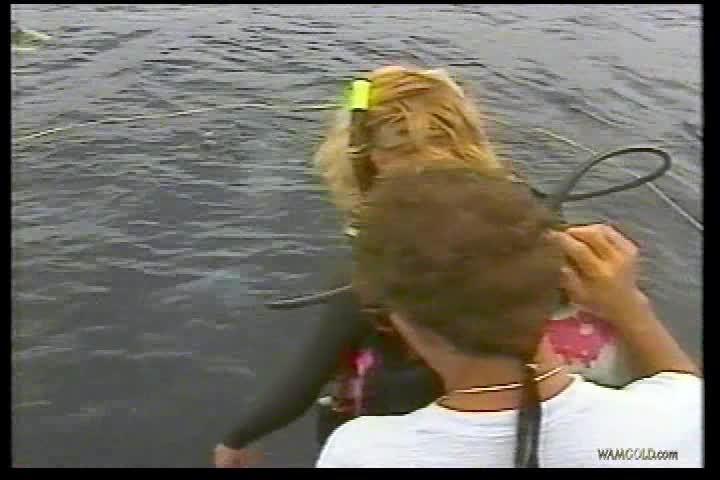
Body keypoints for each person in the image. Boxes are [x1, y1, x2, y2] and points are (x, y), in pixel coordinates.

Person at [214, 66, 623, 467]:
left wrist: (237, 438)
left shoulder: (379, 265)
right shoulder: (531, 219)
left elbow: (305, 379)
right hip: (545, 413)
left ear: (364, 159)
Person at [316, 169, 701, 468]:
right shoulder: (664, 430)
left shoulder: (363, 453)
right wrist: (628, 306)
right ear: (554, 281)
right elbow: (682, 391)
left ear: (396, 320)